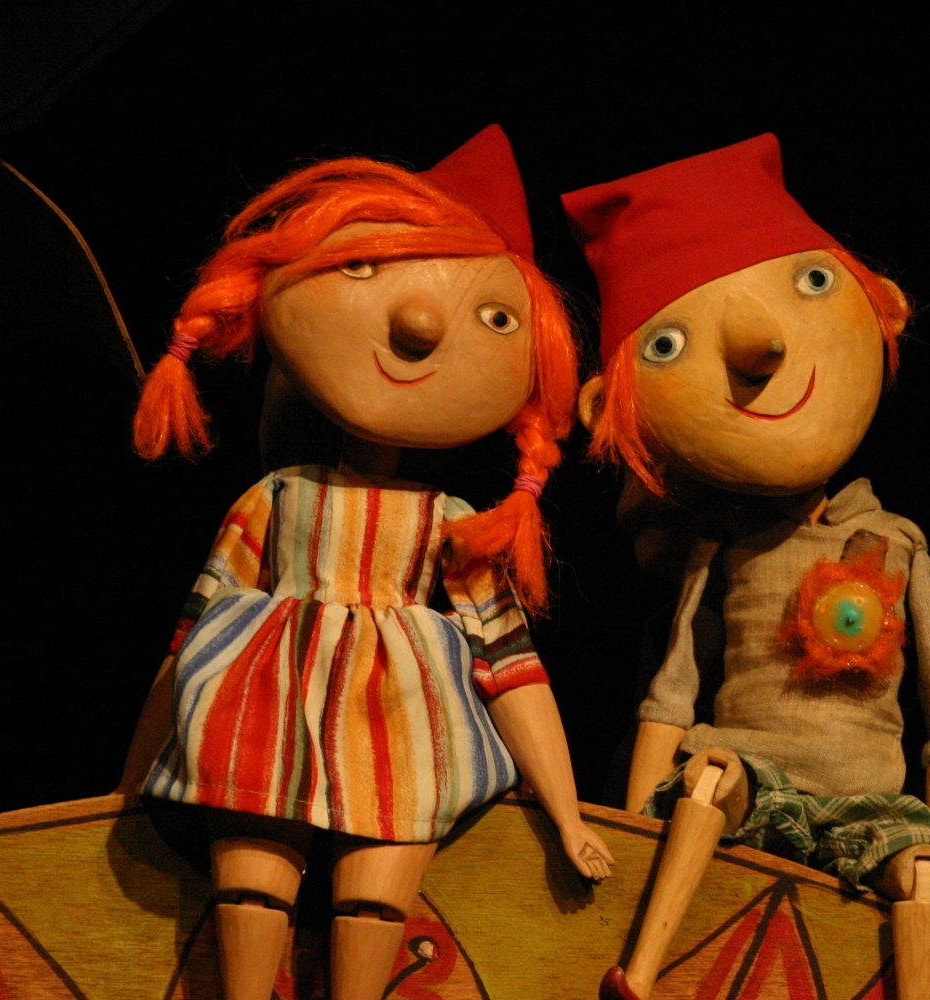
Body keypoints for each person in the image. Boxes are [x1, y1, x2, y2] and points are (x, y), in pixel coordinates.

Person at [126, 125, 612, 1000]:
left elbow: (512, 668)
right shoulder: (277, 499)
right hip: (262, 712)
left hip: (401, 728)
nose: (420, 322)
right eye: (362, 268)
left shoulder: (452, 525)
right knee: (251, 884)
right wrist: (127, 791)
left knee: (375, 900)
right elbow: (188, 640)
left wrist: (568, 816)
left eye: (495, 318)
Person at [562, 134, 930, 1000]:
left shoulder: (900, 546)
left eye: (813, 282)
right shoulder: (723, 549)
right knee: (707, 777)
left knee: (919, 871)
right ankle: (641, 963)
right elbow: (673, 694)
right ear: (609, 411)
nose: (760, 344)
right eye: (668, 345)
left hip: (868, 804)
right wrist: (635, 834)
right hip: (759, 777)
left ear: (886, 304)